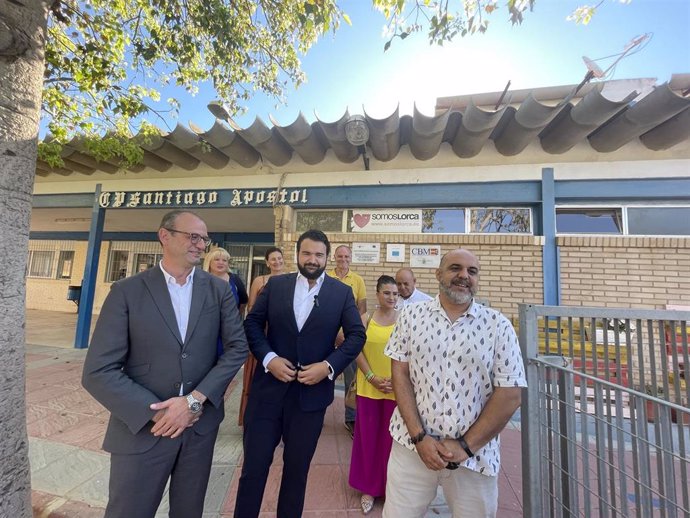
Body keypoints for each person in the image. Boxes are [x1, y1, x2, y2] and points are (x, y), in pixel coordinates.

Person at [82, 210, 248, 518]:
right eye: (193, 237)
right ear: (165, 236)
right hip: (144, 430)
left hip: (198, 430)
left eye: (204, 239)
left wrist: (194, 402)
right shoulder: (126, 292)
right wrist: (157, 413)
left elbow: (238, 348)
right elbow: (98, 371)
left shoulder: (218, 290)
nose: (201, 245)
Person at [382, 248, 527, 518]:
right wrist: (420, 438)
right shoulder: (411, 316)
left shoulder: (498, 326)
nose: (464, 276)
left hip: (475, 458)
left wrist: (465, 446)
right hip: (410, 447)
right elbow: (400, 374)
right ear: (438, 274)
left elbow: (510, 394)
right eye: (455, 268)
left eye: (472, 271)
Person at [234, 229, 366, 518]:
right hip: (267, 395)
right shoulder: (276, 285)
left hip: (310, 399)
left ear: (326, 258)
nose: (312, 259)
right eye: (307, 253)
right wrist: (269, 359)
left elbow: (357, 335)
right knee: (253, 469)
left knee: (296, 472)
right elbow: (253, 324)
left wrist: (328, 367)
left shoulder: (341, 293)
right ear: (297, 254)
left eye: (319, 254)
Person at [349, 275, 399, 514]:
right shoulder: (365, 319)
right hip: (369, 388)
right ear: (378, 294)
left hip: (395, 391)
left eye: (395, 294)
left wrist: (396, 381)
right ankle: (368, 489)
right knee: (368, 439)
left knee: (391, 443)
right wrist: (371, 377)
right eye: (387, 293)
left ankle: (390, 489)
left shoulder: (405, 320)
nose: (391, 297)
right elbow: (355, 349)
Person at [238, 246, 286, 426]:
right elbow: (251, 308)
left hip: (281, 333)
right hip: (261, 332)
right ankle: (250, 417)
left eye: (279, 258)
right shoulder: (260, 280)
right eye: (273, 259)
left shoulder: (290, 279)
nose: (277, 262)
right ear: (267, 262)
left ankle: (276, 417)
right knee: (254, 374)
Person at [327, 244, 367, 436]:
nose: (343, 259)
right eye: (340, 256)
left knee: (352, 381)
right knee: (324, 377)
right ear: (334, 257)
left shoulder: (357, 280)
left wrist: (349, 334)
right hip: (326, 337)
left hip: (348, 339)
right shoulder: (325, 277)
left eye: (346, 256)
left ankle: (350, 419)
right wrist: (335, 335)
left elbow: (362, 311)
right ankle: (315, 414)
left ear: (351, 258)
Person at [203, 247, 249, 316]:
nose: (221, 263)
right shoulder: (201, 279)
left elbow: (243, 301)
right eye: (217, 259)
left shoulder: (235, 279)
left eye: (224, 260)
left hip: (230, 323)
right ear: (209, 262)